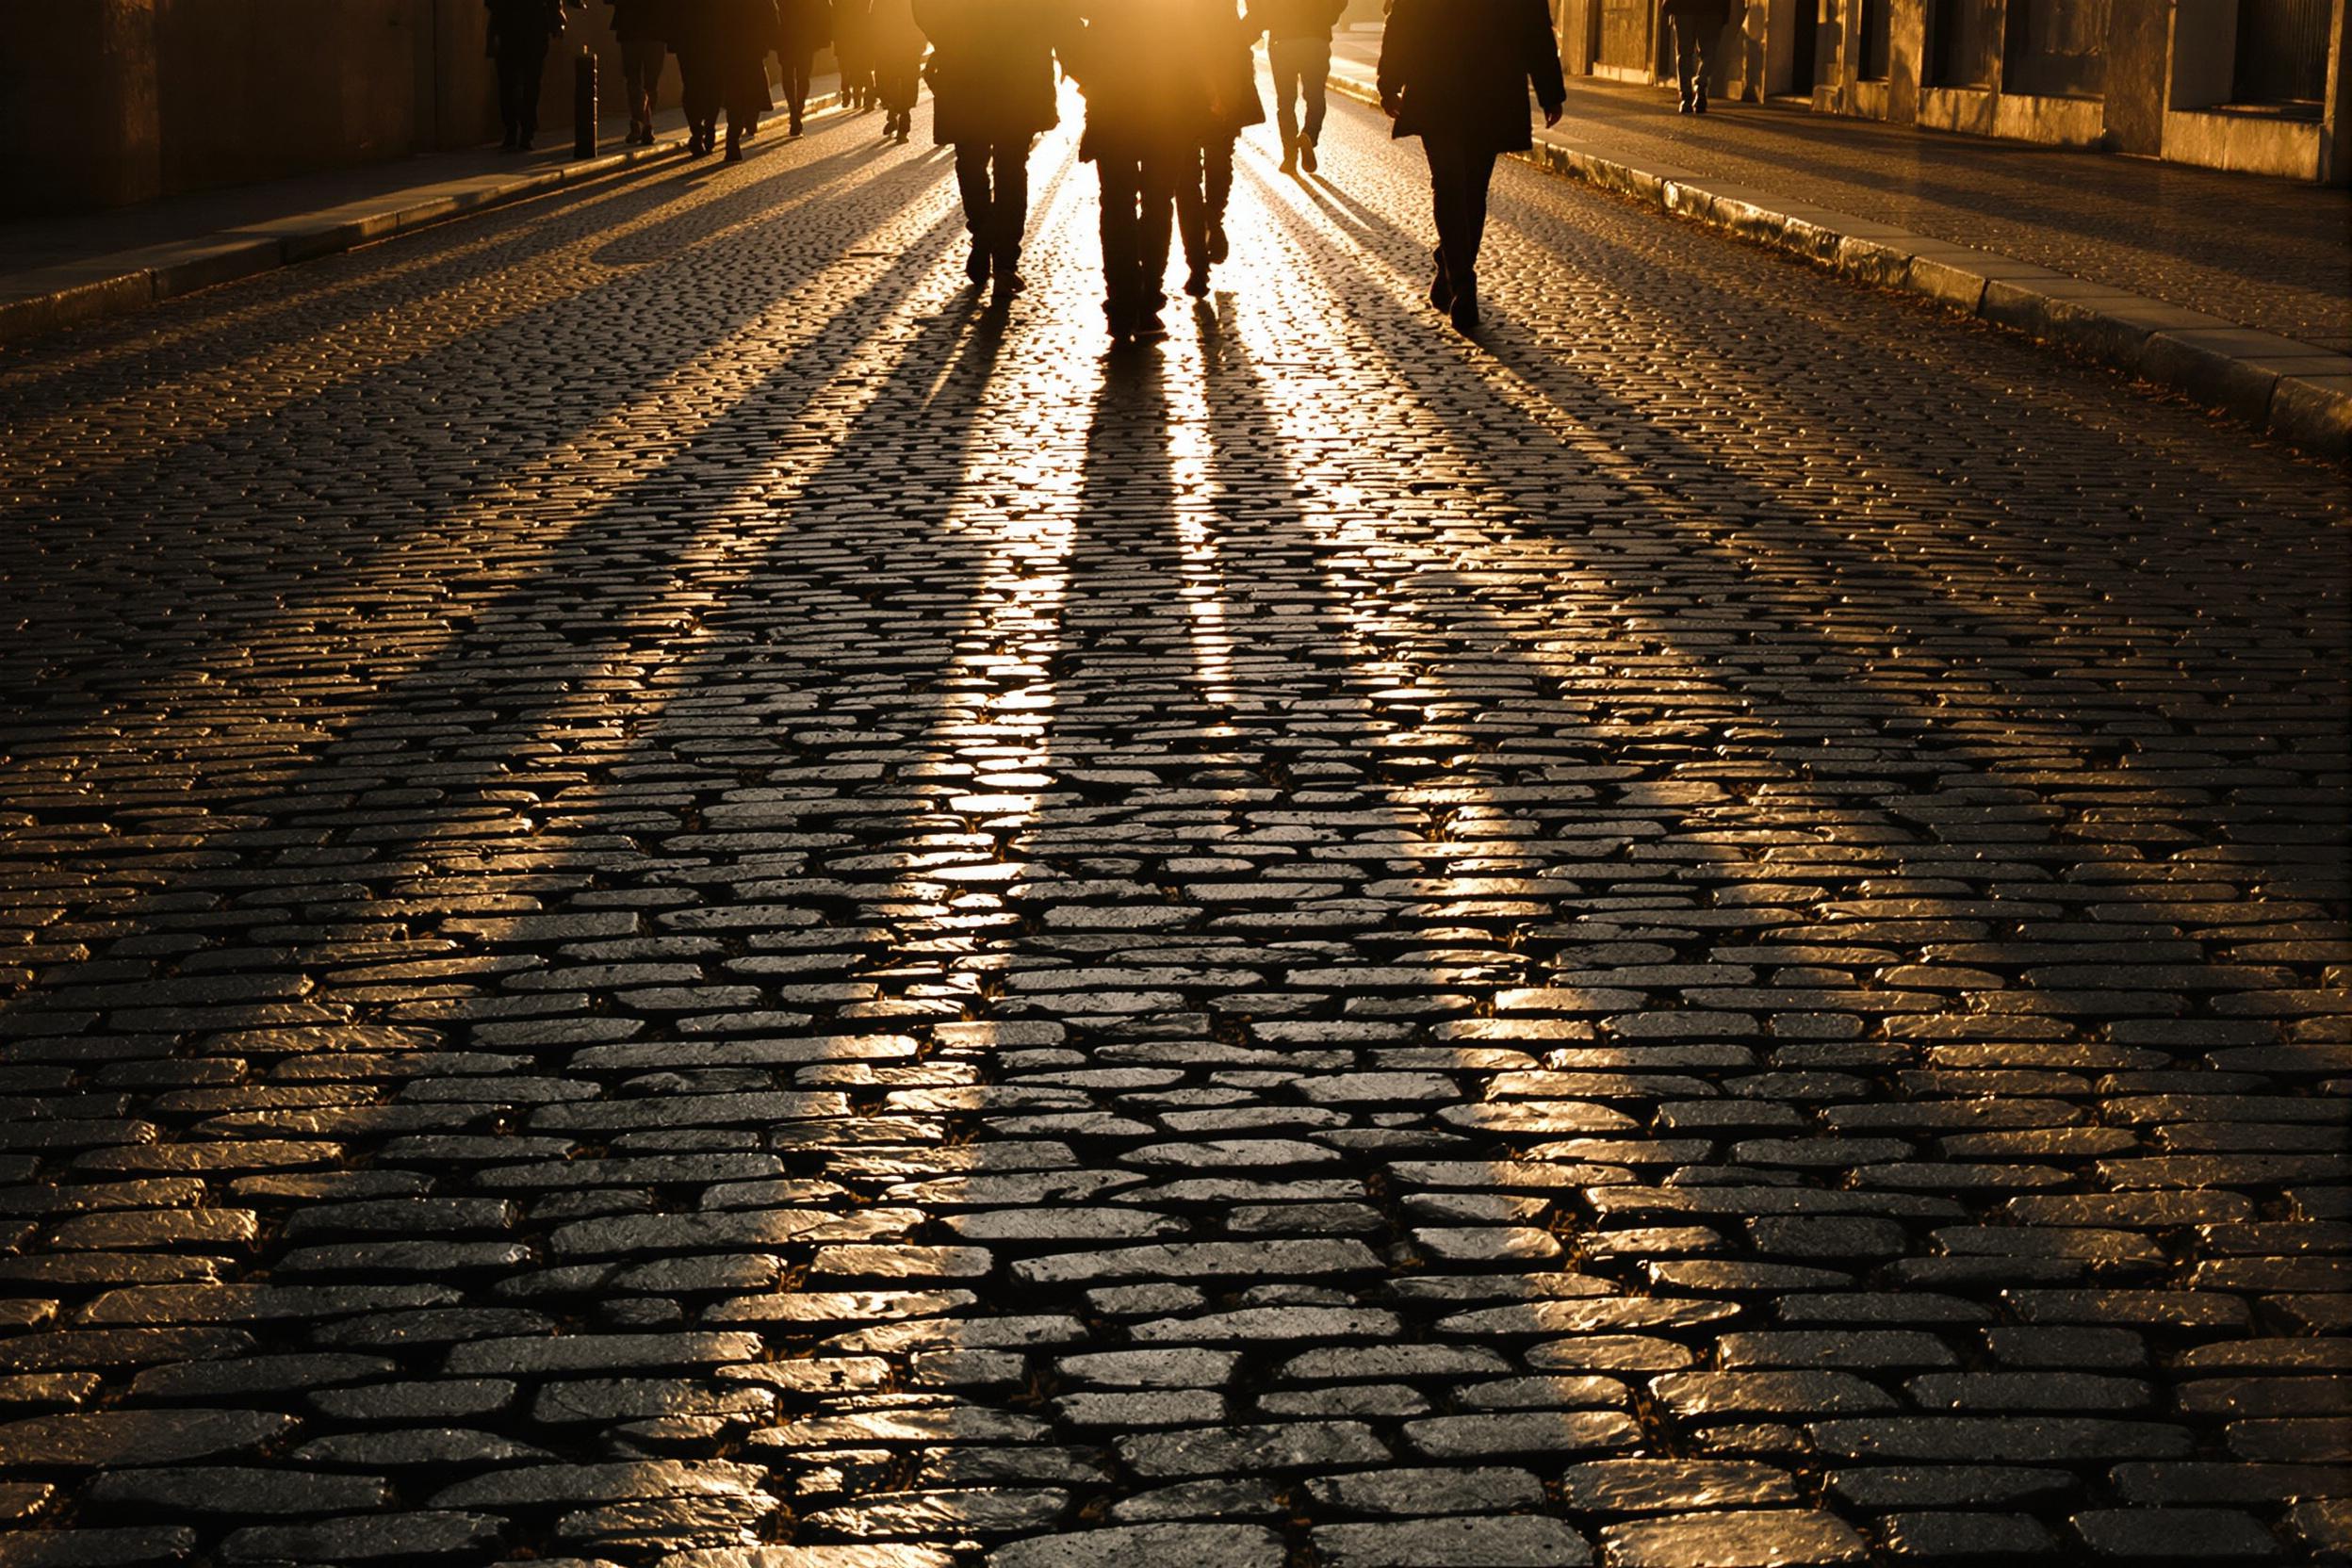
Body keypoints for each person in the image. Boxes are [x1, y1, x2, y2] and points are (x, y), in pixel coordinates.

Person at [1376, 0, 1563, 335]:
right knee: (1462, 186)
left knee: (1460, 186)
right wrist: (1550, 91)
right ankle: (1462, 282)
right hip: (1480, 89)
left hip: (1449, 87)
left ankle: (1455, 269)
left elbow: (1533, 24)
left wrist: (1389, 81)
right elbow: (1534, 26)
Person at [1067, 0, 1214, 344]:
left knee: (1118, 204)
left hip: (1116, 100)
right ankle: (1146, 300)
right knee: (1156, 203)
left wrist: (1087, 73)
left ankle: (1122, 303)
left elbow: (1066, 19)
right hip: (1168, 102)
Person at [914, 0, 1070, 302]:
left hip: (966, 71)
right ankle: (1004, 261)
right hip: (1018, 72)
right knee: (1009, 168)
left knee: (972, 163)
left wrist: (948, 40)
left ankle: (984, 236)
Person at [1175, 0, 1261, 298]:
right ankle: (1212, 222)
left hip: (1191, 72)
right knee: (1214, 161)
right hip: (1217, 69)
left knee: (1188, 179)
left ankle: (1198, 264)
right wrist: (1239, 34)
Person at [1249, 0, 1343, 172]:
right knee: (1315, 96)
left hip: (1282, 40)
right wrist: (1328, 16)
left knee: (1285, 102)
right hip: (1316, 38)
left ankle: (1289, 157)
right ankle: (1309, 135)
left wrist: (1258, 25)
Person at [487, 0, 569, 151]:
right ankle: (523, 130)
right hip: (527, 25)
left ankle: (517, 129)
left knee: (513, 82)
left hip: (516, 25)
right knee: (525, 82)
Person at [611, 0, 670, 145]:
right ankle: (643, 123)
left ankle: (641, 122)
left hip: (645, 29)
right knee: (637, 80)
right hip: (641, 29)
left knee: (645, 81)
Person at [868, 0, 927, 141]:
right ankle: (902, 115)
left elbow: (873, 22)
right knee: (907, 80)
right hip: (906, 46)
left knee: (889, 81)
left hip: (889, 47)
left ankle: (895, 111)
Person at [1661, 0, 1729, 112]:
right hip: (1712, 9)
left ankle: (1686, 97)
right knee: (1708, 53)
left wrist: (1668, 5)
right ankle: (1700, 85)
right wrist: (1725, 11)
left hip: (1684, 8)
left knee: (1684, 53)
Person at [776, 0, 830, 134]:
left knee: (788, 74)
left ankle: (793, 110)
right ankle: (798, 109)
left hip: (786, 36)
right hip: (805, 37)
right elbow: (824, 9)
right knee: (803, 76)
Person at [831, 0, 875, 112]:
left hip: (846, 34)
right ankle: (867, 96)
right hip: (860, 33)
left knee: (850, 67)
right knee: (861, 67)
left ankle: (853, 93)